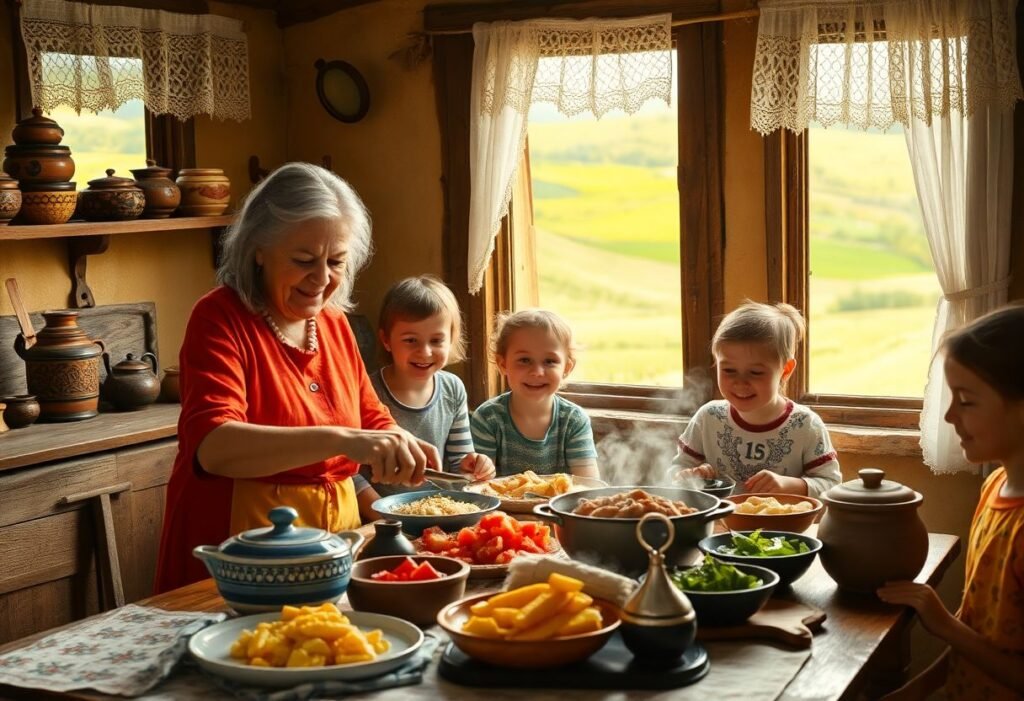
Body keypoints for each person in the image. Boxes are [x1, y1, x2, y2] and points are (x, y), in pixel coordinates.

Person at [154, 163, 438, 594]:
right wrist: (342, 440)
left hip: (334, 543)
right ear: (259, 249)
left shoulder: (334, 323)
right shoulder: (219, 318)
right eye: (304, 260)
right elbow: (214, 447)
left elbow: (368, 415)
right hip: (240, 554)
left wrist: (399, 440)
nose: (322, 279)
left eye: (337, 262)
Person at [877, 303, 1024, 700]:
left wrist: (942, 623)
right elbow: (975, 632)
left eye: (967, 400)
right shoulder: (995, 487)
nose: (948, 416)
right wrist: (914, 691)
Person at [670, 300, 840, 498]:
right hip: (718, 526)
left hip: (779, 528)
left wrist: (790, 485)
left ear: (785, 370)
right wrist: (688, 476)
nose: (740, 382)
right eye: (729, 370)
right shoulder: (708, 418)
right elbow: (674, 473)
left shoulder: (806, 425)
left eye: (756, 372)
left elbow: (832, 485)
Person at [354, 275, 495, 499]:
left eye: (437, 340)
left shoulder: (453, 388)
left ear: (451, 339)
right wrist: (381, 514)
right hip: (382, 516)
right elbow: (350, 473)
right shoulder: (367, 391)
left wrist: (476, 465)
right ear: (386, 340)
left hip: (441, 509)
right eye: (411, 340)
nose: (425, 352)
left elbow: (461, 461)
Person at [470, 309, 599, 478]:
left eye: (549, 361)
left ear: (567, 368)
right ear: (503, 364)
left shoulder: (574, 420)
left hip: (559, 505)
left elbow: (587, 485)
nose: (537, 372)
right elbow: (481, 485)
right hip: (502, 505)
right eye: (524, 360)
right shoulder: (488, 418)